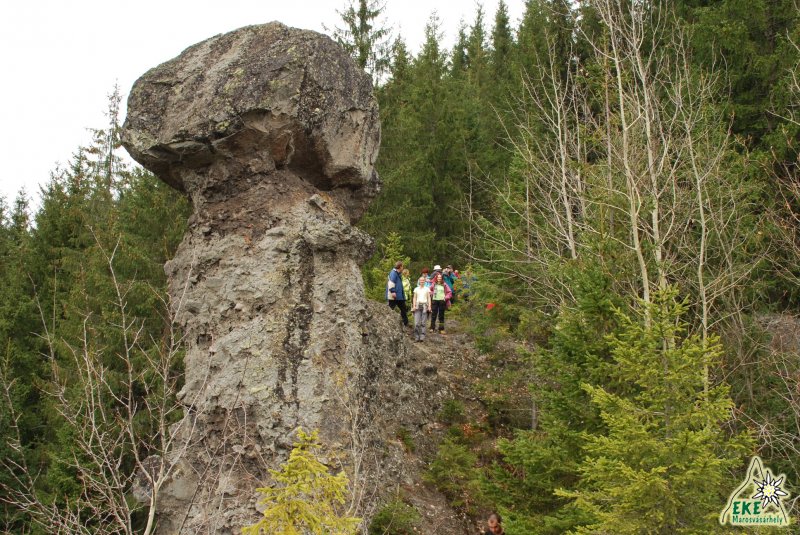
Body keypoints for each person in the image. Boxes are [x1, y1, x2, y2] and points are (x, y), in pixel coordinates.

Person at [386, 261, 409, 327]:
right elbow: (391, 283)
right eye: (402, 266)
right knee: (391, 309)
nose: (403, 268)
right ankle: (388, 322)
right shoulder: (393, 273)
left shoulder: (397, 273)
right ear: (400, 266)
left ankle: (405, 323)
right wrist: (393, 291)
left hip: (399, 296)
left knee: (403, 309)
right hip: (393, 296)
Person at [411, 276, 431, 342]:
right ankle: (417, 337)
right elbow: (414, 298)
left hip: (425, 306)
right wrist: (413, 306)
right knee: (416, 323)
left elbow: (429, 298)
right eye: (421, 280)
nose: (422, 281)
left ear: (425, 281)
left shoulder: (427, 289)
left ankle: (422, 337)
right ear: (419, 281)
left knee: (423, 323)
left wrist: (429, 306)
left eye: (423, 280)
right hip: (417, 306)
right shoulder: (416, 289)